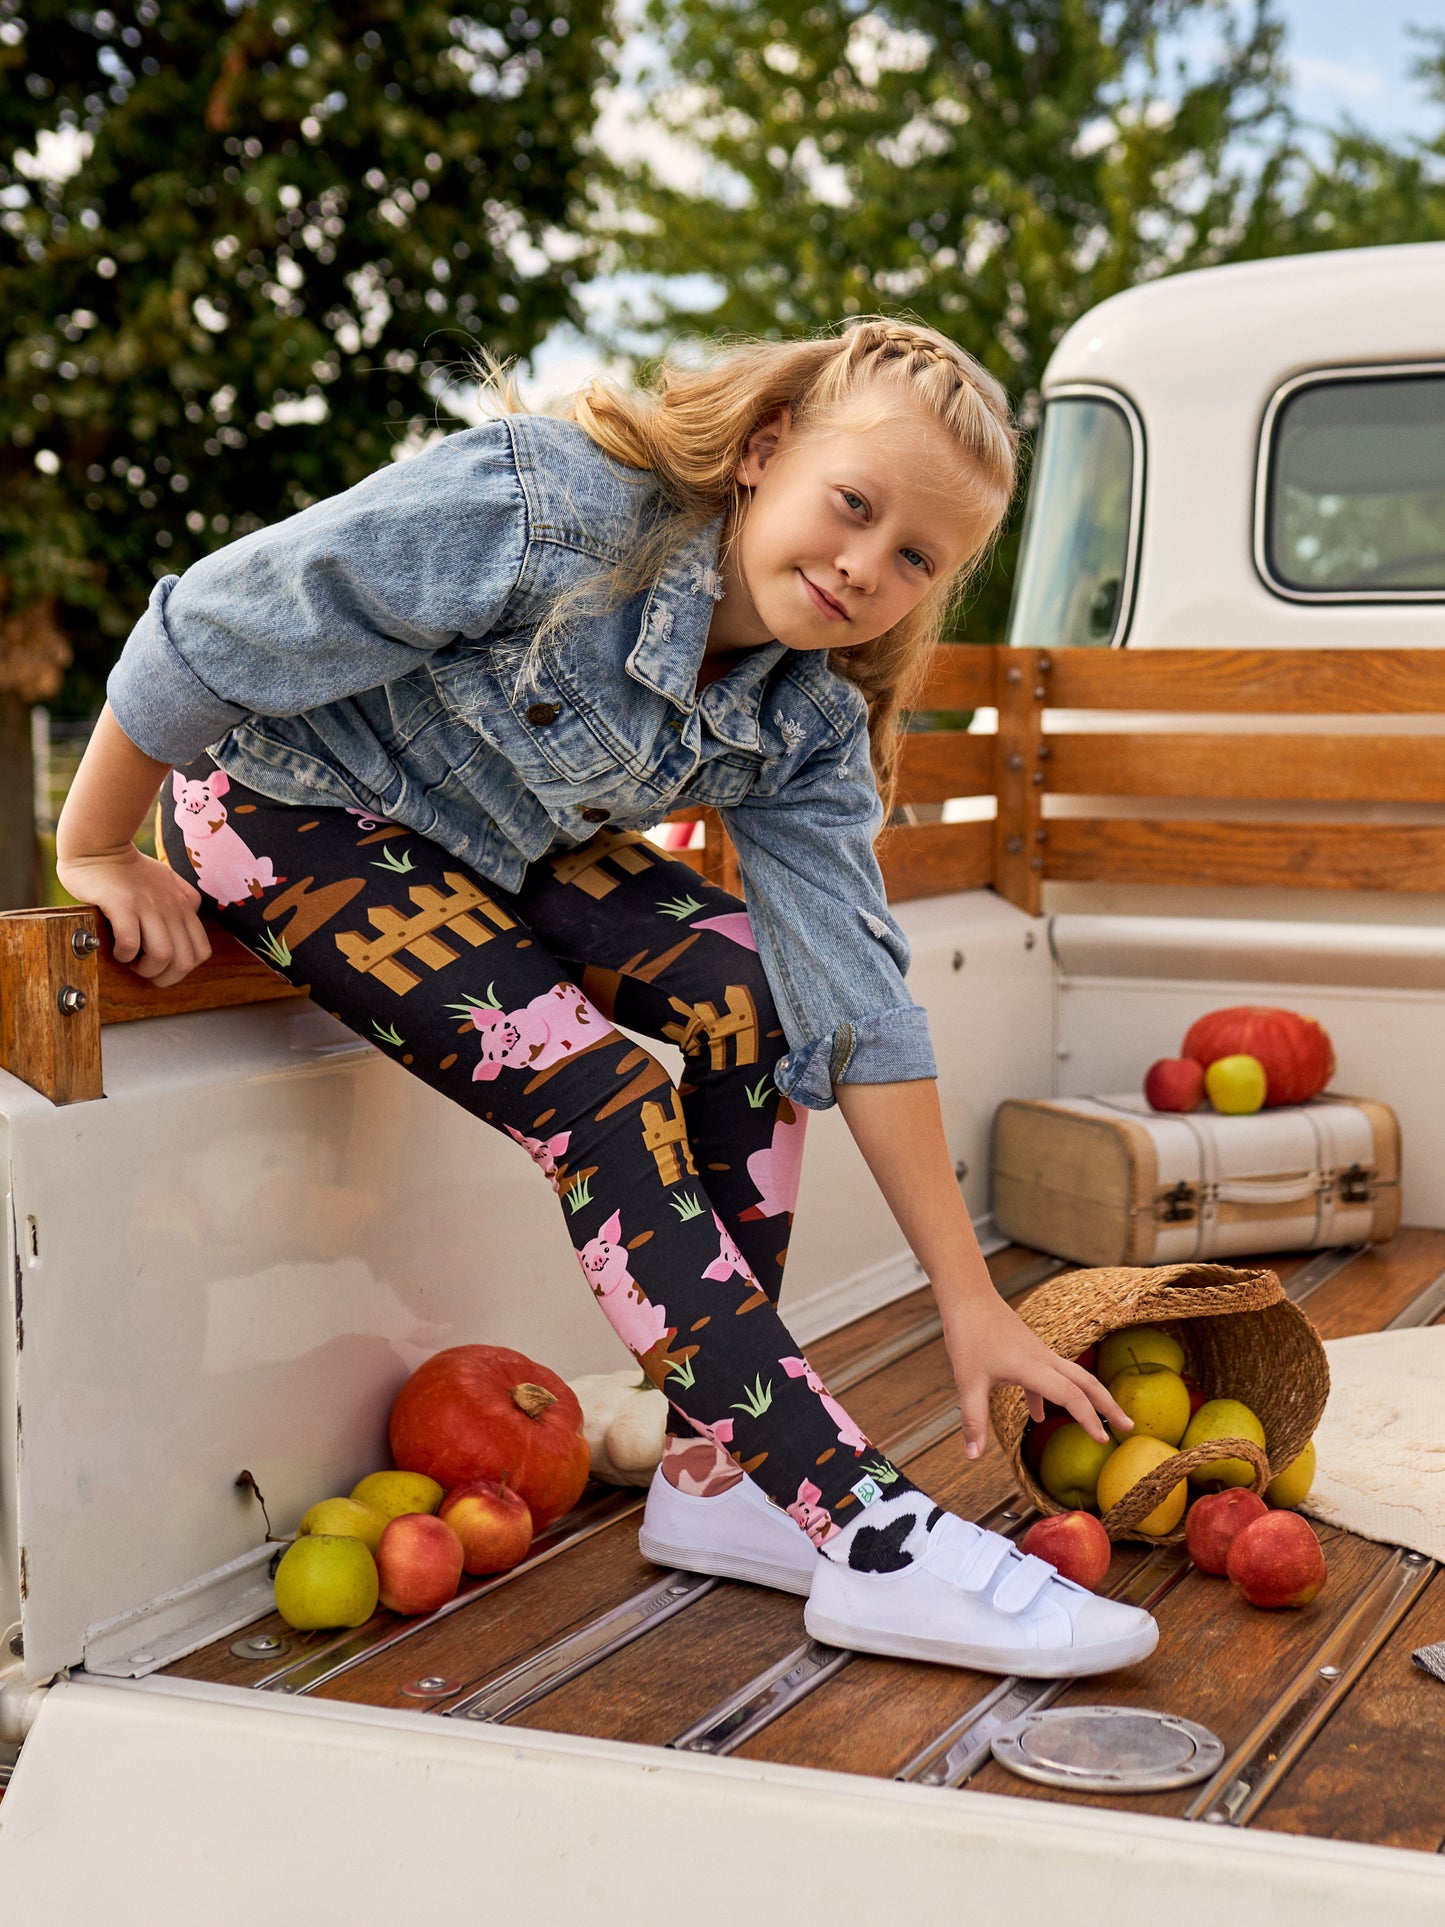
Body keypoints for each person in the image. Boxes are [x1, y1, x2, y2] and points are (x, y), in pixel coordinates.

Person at [55, 317, 1154, 1677]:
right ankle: (864, 1532)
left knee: (750, 996)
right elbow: (218, 618)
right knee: (605, 1096)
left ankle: (720, 1473)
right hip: (283, 804)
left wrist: (965, 1295)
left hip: (495, 841)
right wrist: (96, 843)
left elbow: (855, 1006)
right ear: (764, 455)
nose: (864, 566)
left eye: (913, 557)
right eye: (852, 507)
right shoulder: (545, 508)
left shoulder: (802, 721)